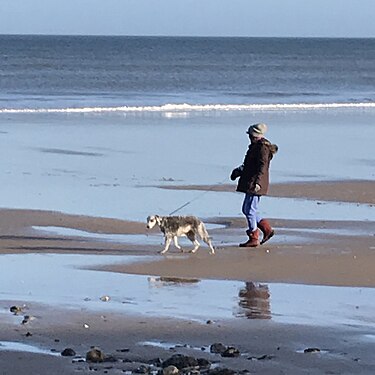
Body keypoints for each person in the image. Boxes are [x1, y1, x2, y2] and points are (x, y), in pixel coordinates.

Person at [230, 123, 278, 247]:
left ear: (255, 135)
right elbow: (248, 165)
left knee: (250, 210)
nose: (249, 137)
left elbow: (262, 167)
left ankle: (254, 237)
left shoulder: (263, 148)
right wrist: (238, 171)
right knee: (247, 209)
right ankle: (266, 229)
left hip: (256, 183)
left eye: (250, 135)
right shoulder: (255, 146)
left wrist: (258, 183)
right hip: (251, 181)